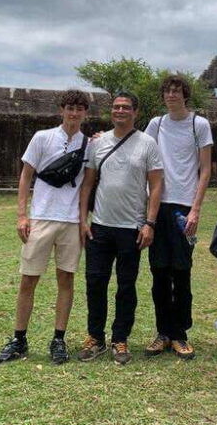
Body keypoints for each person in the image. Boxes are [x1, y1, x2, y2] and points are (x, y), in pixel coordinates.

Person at [0, 90, 91, 366]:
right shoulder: (42, 137)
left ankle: (58, 338)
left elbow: (85, 187)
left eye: (79, 109)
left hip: (70, 220)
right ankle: (19, 338)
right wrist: (22, 215)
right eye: (70, 108)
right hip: (42, 217)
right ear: (61, 109)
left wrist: (83, 220)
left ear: (85, 113)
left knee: (66, 280)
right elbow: (26, 177)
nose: (74, 113)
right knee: (28, 279)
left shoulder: (89, 144)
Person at [77, 92, 163, 365]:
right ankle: (95, 337)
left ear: (135, 112)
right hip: (100, 225)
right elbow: (88, 183)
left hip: (131, 227)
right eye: (116, 107)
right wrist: (82, 219)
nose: (120, 111)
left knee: (126, 286)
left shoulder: (147, 144)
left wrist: (149, 223)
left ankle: (120, 338)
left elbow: (156, 185)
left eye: (126, 107)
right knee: (95, 283)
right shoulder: (99, 143)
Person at [142, 75, 212, 359]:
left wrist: (196, 209)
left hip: (184, 207)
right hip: (157, 205)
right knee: (159, 271)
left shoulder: (199, 124)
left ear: (185, 95)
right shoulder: (156, 124)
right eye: (167, 91)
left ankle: (180, 333)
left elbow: (205, 169)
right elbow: (139, 151)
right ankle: (163, 332)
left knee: (181, 272)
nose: (172, 95)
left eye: (177, 91)